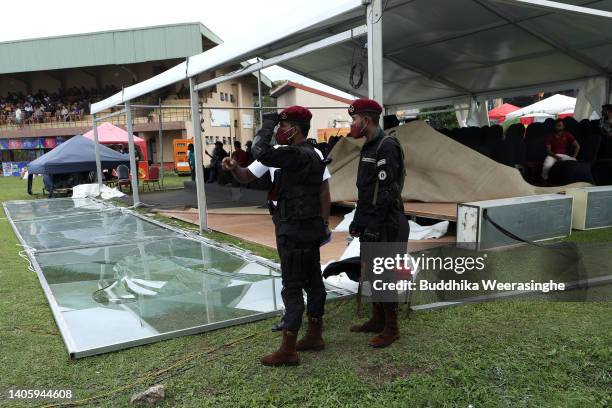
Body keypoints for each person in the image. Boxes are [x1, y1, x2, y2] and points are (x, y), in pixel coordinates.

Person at [225, 106, 328, 366]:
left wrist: (267, 125)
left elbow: (261, 151)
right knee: (314, 281)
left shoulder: (301, 154)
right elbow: (248, 174)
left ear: (294, 128)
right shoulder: (294, 155)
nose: (280, 131)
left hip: (294, 229)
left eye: (284, 126)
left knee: (292, 287)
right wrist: (235, 167)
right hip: (299, 227)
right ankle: (315, 335)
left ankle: (288, 349)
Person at [347, 98, 408, 348]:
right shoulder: (368, 147)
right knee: (372, 271)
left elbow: (387, 191)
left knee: (386, 274)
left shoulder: (386, 146)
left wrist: (374, 224)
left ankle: (391, 328)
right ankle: (377, 318)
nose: (352, 124)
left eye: (354, 119)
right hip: (372, 220)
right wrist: (359, 222)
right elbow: (366, 190)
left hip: (387, 222)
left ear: (367, 120)